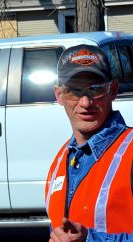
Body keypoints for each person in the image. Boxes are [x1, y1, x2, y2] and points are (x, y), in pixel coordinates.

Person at [45, 44, 133, 241]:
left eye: (95, 89)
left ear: (113, 90)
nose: (85, 102)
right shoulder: (61, 160)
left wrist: (90, 239)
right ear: (59, 95)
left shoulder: (130, 152)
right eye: (74, 91)